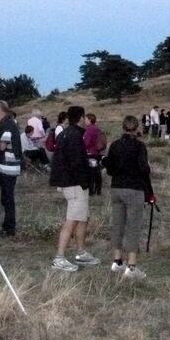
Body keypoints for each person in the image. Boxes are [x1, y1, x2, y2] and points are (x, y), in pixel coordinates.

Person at [49, 106, 100, 272]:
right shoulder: (75, 136)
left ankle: (81, 252)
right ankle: (59, 257)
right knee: (72, 219)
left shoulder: (66, 133)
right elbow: (75, 163)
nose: (87, 120)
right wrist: (88, 176)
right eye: (85, 117)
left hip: (71, 182)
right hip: (75, 183)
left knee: (82, 218)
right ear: (80, 118)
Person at [103, 115, 154, 280]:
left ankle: (117, 262)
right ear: (137, 128)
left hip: (117, 188)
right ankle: (131, 267)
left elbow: (109, 169)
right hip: (134, 189)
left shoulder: (115, 145)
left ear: (123, 127)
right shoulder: (139, 147)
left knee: (117, 224)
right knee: (133, 227)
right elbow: (144, 170)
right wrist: (149, 192)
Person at [0, 100, 22, 237]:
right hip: (10, 167)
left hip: (7, 168)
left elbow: (3, 146)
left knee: (7, 198)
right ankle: (8, 226)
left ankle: (9, 228)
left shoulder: (6, 124)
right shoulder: (11, 122)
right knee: (7, 197)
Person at [83, 113, 106, 196]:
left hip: (90, 153)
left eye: (85, 119)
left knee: (91, 174)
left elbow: (86, 143)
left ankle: (91, 191)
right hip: (97, 153)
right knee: (97, 173)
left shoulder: (89, 130)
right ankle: (98, 190)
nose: (84, 121)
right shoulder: (97, 129)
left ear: (89, 120)